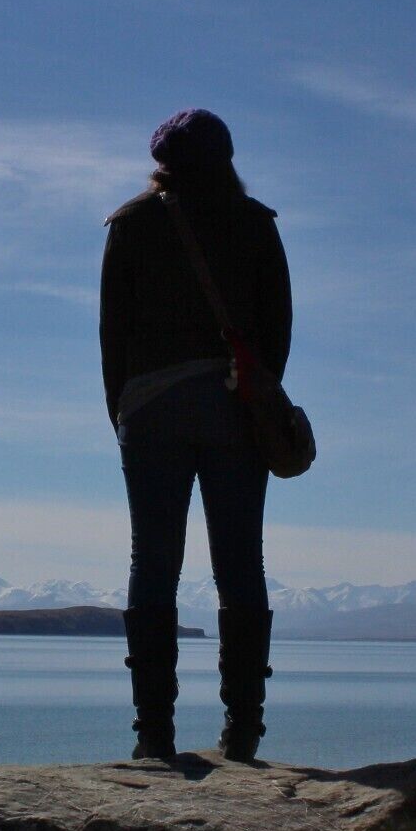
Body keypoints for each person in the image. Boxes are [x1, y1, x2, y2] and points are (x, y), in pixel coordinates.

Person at [99, 108, 292, 762]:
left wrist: (123, 412)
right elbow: (278, 328)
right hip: (234, 410)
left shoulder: (130, 225)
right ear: (226, 159)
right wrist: (256, 395)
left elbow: (112, 334)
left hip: (150, 412)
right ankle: (243, 730)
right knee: (241, 564)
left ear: (162, 165)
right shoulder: (256, 224)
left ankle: (153, 733)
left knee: (153, 562)